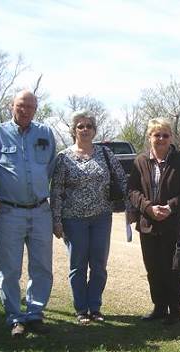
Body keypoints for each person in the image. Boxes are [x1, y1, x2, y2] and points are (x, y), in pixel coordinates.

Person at [0, 90, 57, 337]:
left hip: (40, 210)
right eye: (20, 105)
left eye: (30, 106)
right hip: (10, 212)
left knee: (42, 266)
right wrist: (6, 189)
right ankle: (15, 317)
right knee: (9, 268)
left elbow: (49, 168)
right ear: (11, 106)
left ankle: (35, 314)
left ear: (36, 108)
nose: (25, 110)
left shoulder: (45, 133)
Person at [50, 111, 127, 324]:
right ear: (74, 130)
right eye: (80, 126)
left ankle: (95, 307)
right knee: (78, 265)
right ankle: (81, 309)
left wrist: (131, 207)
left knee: (99, 265)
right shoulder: (63, 157)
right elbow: (56, 191)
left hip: (102, 216)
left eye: (89, 126)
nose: (85, 130)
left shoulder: (105, 154)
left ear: (94, 130)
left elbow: (121, 180)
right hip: (73, 219)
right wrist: (56, 220)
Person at [128, 118, 180, 325]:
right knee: (154, 269)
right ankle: (159, 308)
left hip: (173, 224)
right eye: (157, 135)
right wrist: (148, 208)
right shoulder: (140, 161)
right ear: (150, 137)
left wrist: (170, 207)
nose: (161, 139)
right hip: (148, 224)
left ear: (171, 138)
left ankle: (175, 312)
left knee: (173, 269)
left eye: (165, 135)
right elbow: (132, 190)